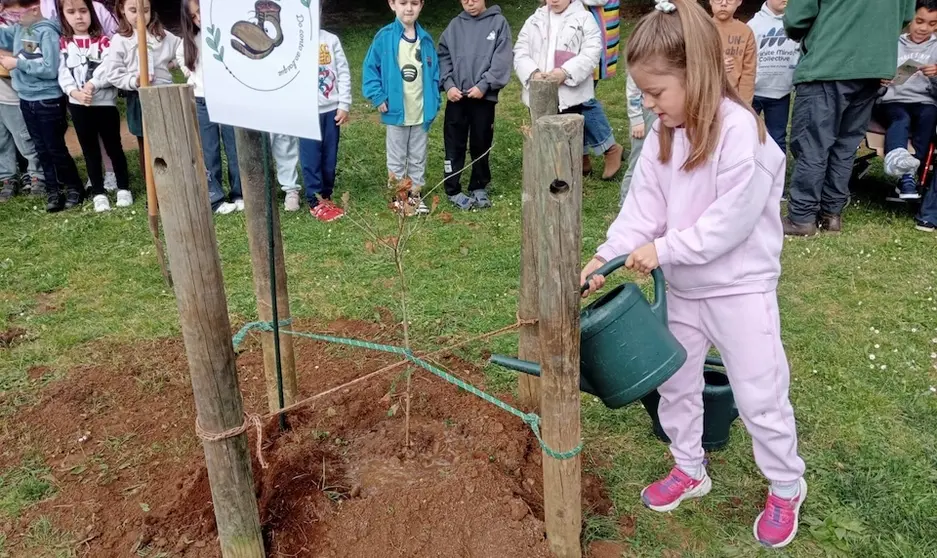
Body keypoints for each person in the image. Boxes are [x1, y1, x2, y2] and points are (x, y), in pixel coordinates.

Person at [580, 0, 806, 549]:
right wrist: (605, 258)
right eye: (644, 95)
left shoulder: (743, 137)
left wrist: (663, 249)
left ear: (697, 73)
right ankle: (689, 466)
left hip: (739, 290)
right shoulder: (665, 137)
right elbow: (641, 210)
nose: (650, 104)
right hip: (681, 289)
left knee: (759, 391)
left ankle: (784, 484)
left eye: (656, 92)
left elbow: (726, 225)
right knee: (675, 384)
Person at [782, 0, 916, 235]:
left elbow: (796, 19)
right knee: (845, 145)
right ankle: (831, 215)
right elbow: (905, 16)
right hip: (873, 67)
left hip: (828, 62)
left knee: (813, 143)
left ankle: (802, 217)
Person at [514, 0, 621, 179]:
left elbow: (592, 51)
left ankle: (573, 166)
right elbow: (520, 50)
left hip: (570, 94)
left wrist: (566, 72)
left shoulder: (584, 19)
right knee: (545, 131)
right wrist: (533, 73)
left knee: (570, 131)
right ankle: (555, 169)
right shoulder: (534, 20)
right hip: (539, 92)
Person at [0, 0, 84, 212]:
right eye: (11, 18)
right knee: (41, 149)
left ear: (35, 9)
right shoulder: (21, 28)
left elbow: (50, 68)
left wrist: (17, 63)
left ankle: (74, 187)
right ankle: (53, 191)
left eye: (16, 16)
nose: (14, 21)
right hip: (26, 100)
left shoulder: (47, 33)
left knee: (55, 148)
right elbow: (4, 36)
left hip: (47, 100)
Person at [362, 0, 440, 215]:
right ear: (392, 4)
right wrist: (378, 97)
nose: (409, 8)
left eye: (414, 3)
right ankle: (399, 197)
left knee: (417, 156)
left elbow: (434, 75)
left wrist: (435, 101)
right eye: (403, 2)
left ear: (421, 5)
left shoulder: (425, 40)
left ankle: (414, 196)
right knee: (396, 157)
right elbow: (370, 69)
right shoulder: (384, 37)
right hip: (396, 112)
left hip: (420, 111)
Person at [437, 0, 512, 210]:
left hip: (483, 98)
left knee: (481, 142)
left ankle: (479, 185)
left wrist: (485, 84)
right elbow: (443, 56)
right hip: (457, 99)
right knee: (454, 144)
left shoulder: (498, 23)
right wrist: (449, 84)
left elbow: (502, 59)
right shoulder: (454, 26)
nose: (469, 2)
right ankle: (452, 188)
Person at [58, 0, 130, 212]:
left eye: (83, 11)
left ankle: (123, 187)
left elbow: (109, 68)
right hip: (79, 106)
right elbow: (62, 73)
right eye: (71, 12)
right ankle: (98, 191)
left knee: (114, 147)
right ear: (64, 16)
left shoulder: (104, 42)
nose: (79, 17)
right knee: (90, 150)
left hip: (105, 104)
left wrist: (92, 84)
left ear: (92, 13)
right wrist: (74, 92)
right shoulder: (63, 44)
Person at [104, 0, 180, 197]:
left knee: (168, 140)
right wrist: (133, 80)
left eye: (145, 10)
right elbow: (113, 73)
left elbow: (181, 49)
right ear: (122, 10)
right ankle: (153, 191)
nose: (140, 16)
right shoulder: (120, 40)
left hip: (163, 95)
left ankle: (172, 187)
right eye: (133, 10)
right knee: (145, 144)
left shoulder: (161, 36)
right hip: (138, 98)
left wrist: (171, 64)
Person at [176, 0, 238, 215]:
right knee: (209, 150)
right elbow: (180, 58)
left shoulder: (229, 35)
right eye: (193, 16)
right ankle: (216, 197)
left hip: (228, 99)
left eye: (201, 11)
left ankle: (239, 193)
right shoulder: (191, 41)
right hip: (202, 101)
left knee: (234, 146)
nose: (199, 18)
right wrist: (190, 75)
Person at [875, 0, 937, 202]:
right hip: (893, 100)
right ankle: (905, 175)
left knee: (929, 115)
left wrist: (935, 76)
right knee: (900, 118)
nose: (924, 28)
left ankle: (913, 170)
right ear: (910, 19)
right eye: (919, 21)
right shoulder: (892, 44)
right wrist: (882, 81)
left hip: (924, 101)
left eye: (932, 24)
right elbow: (874, 86)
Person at [298, 21, 350, 222]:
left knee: (329, 157)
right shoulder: (293, 41)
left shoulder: (330, 40)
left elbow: (343, 72)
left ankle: (326, 196)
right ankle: (315, 200)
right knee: (311, 157)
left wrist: (344, 104)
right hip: (306, 112)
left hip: (330, 110)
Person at [0, 13, 42, 202]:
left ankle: (37, 176)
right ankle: (7, 177)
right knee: (1, 141)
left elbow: (30, 53)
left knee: (25, 140)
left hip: (13, 95)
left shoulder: (19, 23)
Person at [748, 0, 799, 155]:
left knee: (778, 137)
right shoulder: (753, 25)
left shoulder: (797, 24)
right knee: (748, 135)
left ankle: (777, 176)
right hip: (754, 92)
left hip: (780, 93)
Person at [581, 0, 624, 180]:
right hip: (578, 35)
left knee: (583, 97)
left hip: (596, 37)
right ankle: (580, 155)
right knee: (570, 99)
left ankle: (610, 147)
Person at [620, 70, 656, 205]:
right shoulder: (644, 55)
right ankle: (625, 203)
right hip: (644, 115)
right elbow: (633, 88)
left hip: (662, 113)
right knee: (637, 162)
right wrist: (636, 120)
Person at [710, 0, 755, 105]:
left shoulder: (745, 32)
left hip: (733, 100)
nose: (724, 3)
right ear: (711, 1)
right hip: (705, 97)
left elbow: (748, 73)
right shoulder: (700, 28)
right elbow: (690, 63)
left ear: (739, 2)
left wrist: (744, 105)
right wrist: (717, 67)